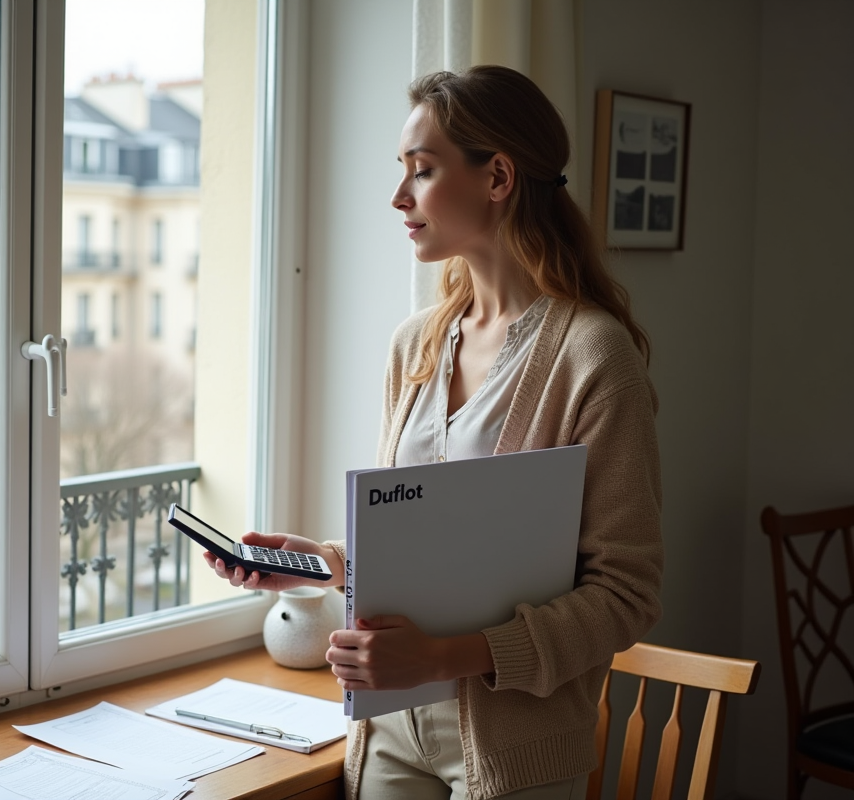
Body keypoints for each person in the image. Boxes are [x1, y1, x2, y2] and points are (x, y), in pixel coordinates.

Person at [204, 65, 662, 800]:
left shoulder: (592, 356)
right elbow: (440, 544)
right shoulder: (415, 345)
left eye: (422, 170)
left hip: (518, 746)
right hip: (387, 732)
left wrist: (444, 656)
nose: (399, 196)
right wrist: (326, 563)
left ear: (499, 177)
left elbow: (625, 595)